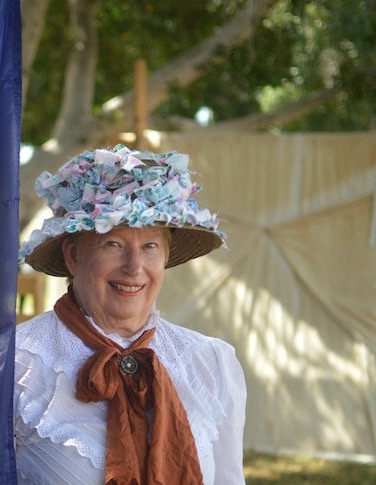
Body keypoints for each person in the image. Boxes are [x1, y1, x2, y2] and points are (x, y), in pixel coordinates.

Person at [14, 144, 246, 484]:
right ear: (73, 255)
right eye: (113, 244)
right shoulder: (15, 366)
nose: (134, 267)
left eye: (150, 245)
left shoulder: (211, 363)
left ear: (165, 256)